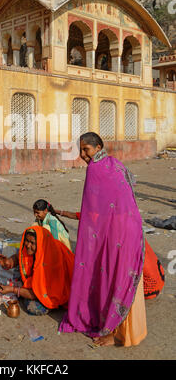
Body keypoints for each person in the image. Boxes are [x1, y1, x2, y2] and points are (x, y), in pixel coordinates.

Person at [59, 132, 147, 347]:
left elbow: (92, 211)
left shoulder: (95, 169)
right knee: (124, 277)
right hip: (130, 228)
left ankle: (116, 333)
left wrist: (89, 242)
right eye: (80, 150)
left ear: (98, 147)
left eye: (86, 149)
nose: (82, 155)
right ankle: (125, 331)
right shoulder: (115, 164)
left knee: (114, 277)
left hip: (116, 232)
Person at [54, 209, 165, 300]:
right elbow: (80, 215)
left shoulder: (118, 239)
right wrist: (59, 212)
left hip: (147, 289)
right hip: (159, 281)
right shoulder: (129, 226)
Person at [0, 226, 74, 316]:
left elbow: (37, 293)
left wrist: (13, 289)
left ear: (40, 243)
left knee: (33, 307)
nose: (28, 245)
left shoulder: (49, 259)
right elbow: (20, 256)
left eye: (32, 243)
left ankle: (50, 304)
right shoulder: (37, 248)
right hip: (40, 284)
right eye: (27, 241)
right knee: (22, 289)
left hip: (58, 290)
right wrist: (8, 262)